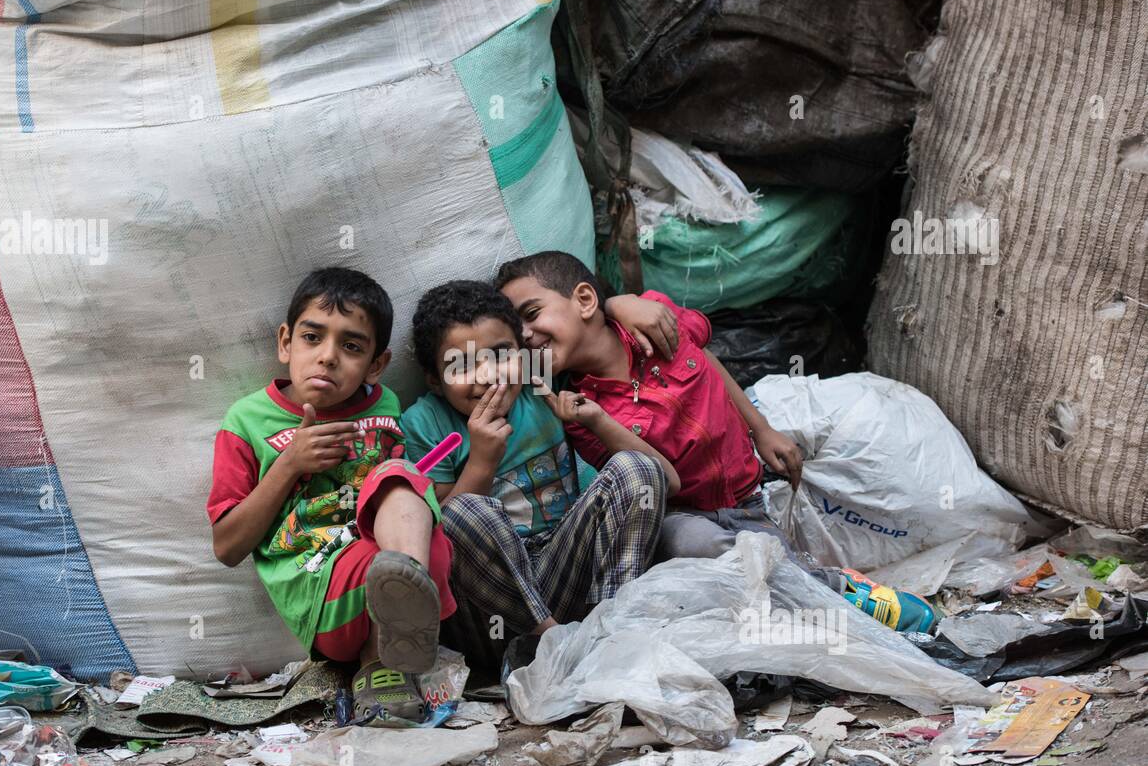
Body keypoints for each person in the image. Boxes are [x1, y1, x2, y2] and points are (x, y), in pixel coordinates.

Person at [495, 251, 937, 633]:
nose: (527, 336)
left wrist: (760, 429)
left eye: (532, 315)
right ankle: (843, 596)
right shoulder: (578, 411)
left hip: (746, 501)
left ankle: (828, 593)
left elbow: (703, 356)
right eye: (518, 334)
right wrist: (596, 419)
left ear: (586, 300)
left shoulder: (652, 319)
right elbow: (655, 481)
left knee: (768, 562)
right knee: (706, 549)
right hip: (678, 517)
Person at [207, 268, 456, 722]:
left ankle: (398, 632)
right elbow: (227, 547)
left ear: (376, 365)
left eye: (352, 346)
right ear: (286, 342)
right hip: (322, 590)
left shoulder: (385, 406)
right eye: (312, 338)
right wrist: (289, 465)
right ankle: (384, 648)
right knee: (381, 545)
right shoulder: (246, 421)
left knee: (397, 477)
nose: (327, 357)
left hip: (398, 561)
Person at [401, 280, 679, 671]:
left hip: (564, 574)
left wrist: (619, 304)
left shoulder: (542, 387)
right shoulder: (426, 424)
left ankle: (611, 629)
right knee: (461, 511)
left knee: (638, 467)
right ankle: (556, 645)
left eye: (501, 355)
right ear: (434, 379)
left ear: (525, 355)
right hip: (494, 622)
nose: (489, 375)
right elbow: (436, 532)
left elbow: (667, 481)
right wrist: (481, 461)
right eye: (461, 365)